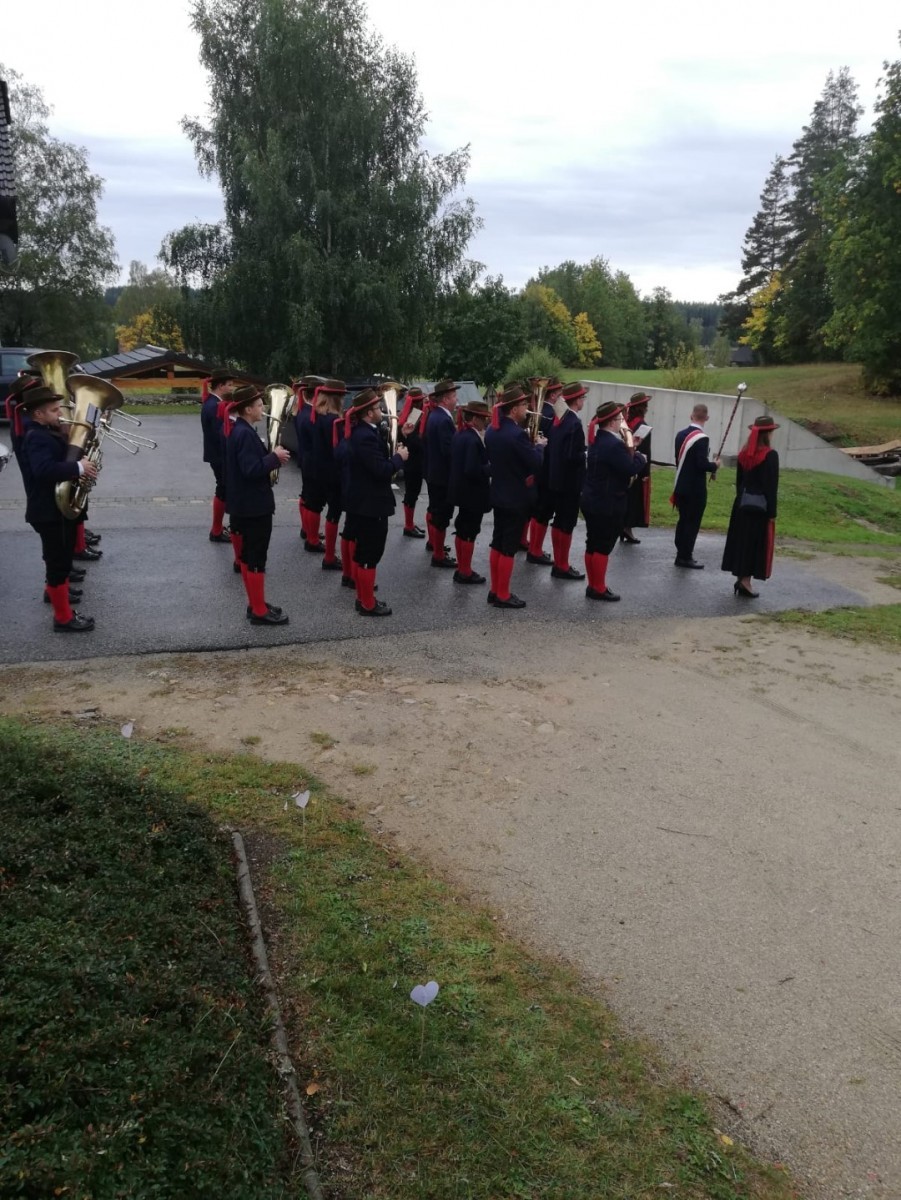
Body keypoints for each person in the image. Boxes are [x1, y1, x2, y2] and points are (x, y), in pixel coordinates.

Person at [18, 384, 98, 632]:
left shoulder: (46, 432)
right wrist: (79, 468)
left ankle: (59, 602)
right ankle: (63, 619)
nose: (59, 413)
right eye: (54, 410)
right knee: (58, 563)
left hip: (54, 510)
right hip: (48, 511)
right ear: (38, 414)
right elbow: (44, 470)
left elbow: (61, 458)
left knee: (59, 560)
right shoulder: (36, 437)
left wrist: (80, 455)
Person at [225, 384, 291, 625]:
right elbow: (251, 469)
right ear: (248, 409)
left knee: (248, 556)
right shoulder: (243, 433)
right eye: (260, 405)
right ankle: (259, 610)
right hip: (253, 506)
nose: (263, 408)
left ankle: (256, 603)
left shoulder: (241, 430)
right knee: (255, 558)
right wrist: (274, 457)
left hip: (245, 504)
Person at [344, 388, 409, 616]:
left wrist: (403, 436)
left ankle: (363, 598)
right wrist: (399, 459)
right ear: (369, 413)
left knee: (365, 554)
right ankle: (367, 603)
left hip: (364, 502)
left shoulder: (365, 432)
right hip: (370, 504)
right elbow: (381, 470)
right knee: (369, 555)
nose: (382, 410)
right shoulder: (364, 437)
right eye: (377, 408)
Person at [484, 384, 545, 609]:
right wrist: (539, 447)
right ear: (513, 409)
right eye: (523, 404)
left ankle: (494, 590)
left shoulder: (492, 430)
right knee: (508, 547)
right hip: (515, 496)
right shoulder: (517, 434)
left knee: (498, 543)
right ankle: (503, 594)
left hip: (499, 492)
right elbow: (536, 463)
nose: (527, 408)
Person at [580, 400, 646, 602]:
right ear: (611, 422)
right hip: (607, 502)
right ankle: (599, 588)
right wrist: (640, 458)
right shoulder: (614, 444)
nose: (621, 422)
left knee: (592, 543)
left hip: (592, 498)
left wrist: (631, 447)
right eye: (619, 419)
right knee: (603, 545)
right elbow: (629, 469)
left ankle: (593, 585)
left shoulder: (598, 439)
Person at [721, 416, 780, 598]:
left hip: (742, 504)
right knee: (753, 544)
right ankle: (745, 581)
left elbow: (739, 482)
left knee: (742, 542)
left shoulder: (744, 454)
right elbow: (771, 486)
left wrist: (741, 499)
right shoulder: (770, 455)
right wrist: (772, 512)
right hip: (759, 508)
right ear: (768, 433)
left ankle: (741, 578)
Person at [545, 381, 587, 580]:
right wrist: (585, 455)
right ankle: (562, 565)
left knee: (559, 521)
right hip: (569, 482)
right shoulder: (574, 422)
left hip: (556, 478)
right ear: (577, 400)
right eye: (583, 398)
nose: (583, 401)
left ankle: (558, 563)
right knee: (566, 523)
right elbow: (572, 455)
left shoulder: (560, 418)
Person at [448, 399, 491, 585]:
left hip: (461, 491)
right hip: (472, 493)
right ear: (474, 419)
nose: (485, 422)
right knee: (469, 531)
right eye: (482, 419)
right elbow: (472, 469)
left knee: (462, 528)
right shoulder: (472, 439)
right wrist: (491, 468)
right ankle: (465, 571)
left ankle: (461, 568)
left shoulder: (460, 434)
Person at [672, 402, 720, 569]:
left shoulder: (680, 435)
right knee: (692, 522)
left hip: (681, 485)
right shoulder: (702, 438)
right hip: (695, 488)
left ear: (691, 416)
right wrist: (714, 465)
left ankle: (680, 552)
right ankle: (685, 556)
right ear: (707, 418)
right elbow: (701, 464)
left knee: (683, 520)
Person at [525, 376, 564, 564]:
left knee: (537, 510)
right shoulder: (550, 415)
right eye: (560, 394)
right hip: (546, 466)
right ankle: (535, 550)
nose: (562, 398)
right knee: (544, 510)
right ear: (554, 395)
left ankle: (533, 547)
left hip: (537, 464)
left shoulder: (538, 413)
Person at [311, 379, 348, 573]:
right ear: (337, 398)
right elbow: (340, 449)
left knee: (331, 512)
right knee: (335, 513)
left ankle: (329, 554)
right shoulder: (334, 421)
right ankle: (330, 557)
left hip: (321, 470)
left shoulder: (318, 415)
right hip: (334, 472)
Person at [422, 378, 458, 567]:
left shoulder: (435, 415)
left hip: (434, 473)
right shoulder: (443, 419)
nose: (456, 400)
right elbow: (448, 450)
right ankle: (438, 555)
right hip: (442, 475)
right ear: (445, 399)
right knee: (442, 515)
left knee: (436, 511)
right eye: (454, 396)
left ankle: (436, 547)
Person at [201, 367, 236, 543]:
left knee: (222, 489)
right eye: (229, 385)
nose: (232, 388)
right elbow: (220, 434)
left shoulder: (213, 402)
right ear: (221, 386)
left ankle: (218, 528)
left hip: (217, 454)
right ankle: (216, 530)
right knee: (223, 490)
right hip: (220, 455)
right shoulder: (214, 405)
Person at [294, 375, 326, 552]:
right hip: (314, 463)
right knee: (313, 502)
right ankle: (312, 540)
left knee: (306, 496)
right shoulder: (311, 416)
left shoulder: (303, 411)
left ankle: (307, 530)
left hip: (306, 460)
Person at [621, 391, 652, 545]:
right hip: (637, 465)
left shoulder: (626, 422)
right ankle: (627, 528)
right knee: (634, 500)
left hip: (625, 463)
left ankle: (624, 527)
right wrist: (645, 472)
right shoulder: (643, 426)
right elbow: (645, 450)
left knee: (627, 497)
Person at [397, 385, 427, 538]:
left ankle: (410, 523)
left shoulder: (409, 414)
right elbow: (414, 441)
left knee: (412, 493)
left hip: (412, 459)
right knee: (412, 493)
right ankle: (408, 525)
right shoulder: (414, 415)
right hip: (414, 460)